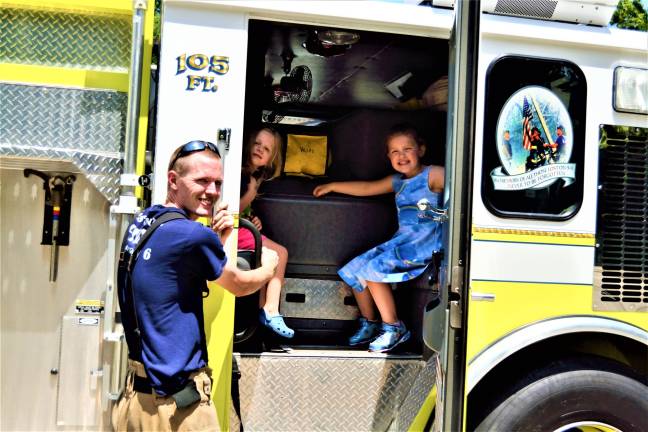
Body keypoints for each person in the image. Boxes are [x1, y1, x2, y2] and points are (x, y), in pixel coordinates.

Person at [113, 140, 279, 431]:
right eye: (202, 181)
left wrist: (217, 239)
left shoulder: (144, 222)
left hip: (136, 400)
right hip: (176, 409)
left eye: (217, 183)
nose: (212, 191)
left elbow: (174, 275)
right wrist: (270, 267)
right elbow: (238, 284)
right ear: (173, 180)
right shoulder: (190, 236)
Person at [313, 125, 444, 353]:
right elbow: (367, 188)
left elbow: (463, 182)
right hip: (402, 242)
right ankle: (371, 322)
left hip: (424, 245)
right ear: (388, 156)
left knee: (373, 270)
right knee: (354, 269)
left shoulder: (432, 175)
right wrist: (334, 185)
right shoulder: (398, 181)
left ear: (420, 150)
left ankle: (394, 328)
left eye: (407, 149)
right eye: (394, 151)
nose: (401, 156)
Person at [239, 127, 294, 338]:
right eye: (257, 144)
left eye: (267, 149)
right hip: (232, 230)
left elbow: (243, 209)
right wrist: (250, 193)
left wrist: (253, 217)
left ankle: (264, 311)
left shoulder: (255, 175)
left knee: (273, 255)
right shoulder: (244, 175)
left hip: (242, 226)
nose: (260, 150)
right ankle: (271, 309)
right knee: (280, 254)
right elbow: (232, 207)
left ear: (272, 158)